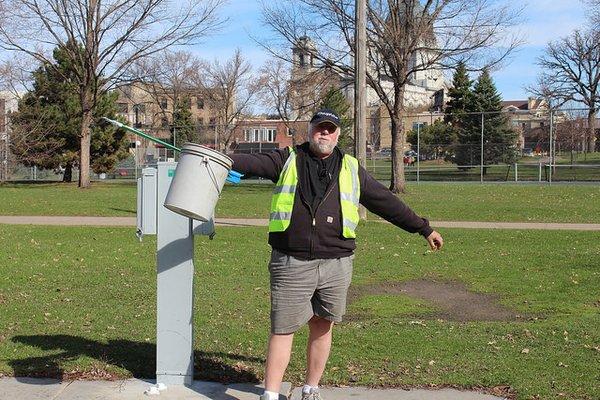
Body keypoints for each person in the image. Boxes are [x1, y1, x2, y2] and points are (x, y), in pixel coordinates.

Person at [229, 109, 443, 400]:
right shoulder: (287, 158)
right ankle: (269, 394)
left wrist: (423, 228)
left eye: (331, 129)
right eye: (320, 128)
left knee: (323, 324)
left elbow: (385, 202)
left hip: (337, 263)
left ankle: (311, 388)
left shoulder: (351, 168)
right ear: (310, 130)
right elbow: (251, 162)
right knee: (283, 329)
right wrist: (218, 159)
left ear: (338, 134)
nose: (325, 134)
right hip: (291, 262)